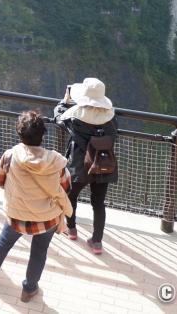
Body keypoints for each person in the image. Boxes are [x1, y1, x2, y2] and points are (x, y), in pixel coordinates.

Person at [0, 110, 72, 303]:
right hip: (47, 217)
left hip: (17, 214)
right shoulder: (56, 162)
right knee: (39, 251)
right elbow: (66, 187)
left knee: (5, 241)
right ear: (43, 135)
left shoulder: (10, 156)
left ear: (19, 134)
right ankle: (28, 289)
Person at [54, 77, 118, 254]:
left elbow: (58, 116)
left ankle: (71, 229)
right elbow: (114, 133)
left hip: (79, 164)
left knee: (71, 196)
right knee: (98, 203)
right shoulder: (110, 118)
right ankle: (97, 241)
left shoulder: (75, 117)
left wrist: (65, 101)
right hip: (102, 162)